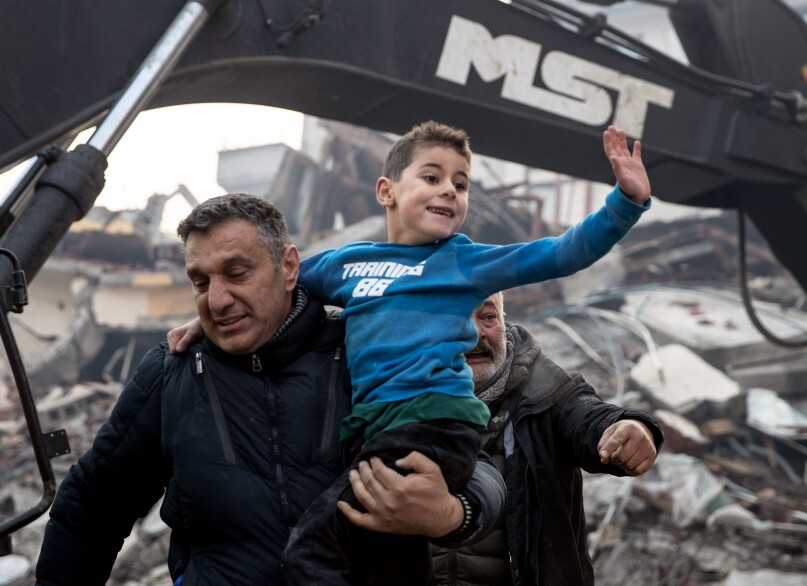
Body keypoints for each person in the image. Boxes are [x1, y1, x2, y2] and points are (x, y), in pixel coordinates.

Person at [169, 120, 652, 585]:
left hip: (436, 423)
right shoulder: (348, 263)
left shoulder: (464, 262)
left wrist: (625, 203)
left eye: (460, 184)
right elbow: (276, 286)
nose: (449, 191)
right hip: (375, 434)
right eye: (432, 177)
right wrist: (207, 317)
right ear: (387, 191)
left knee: (311, 550)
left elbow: (561, 252)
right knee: (389, 564)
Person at [34, 194, 504, 586]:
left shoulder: (360, 353)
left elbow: (479, 469)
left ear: (289, 267)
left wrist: (450, 513)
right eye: (201, 282)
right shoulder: (173, 373)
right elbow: (89, 511)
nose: (216, 300)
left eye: (237, 274)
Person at [344, 292, 664, 586]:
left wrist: (630, 426)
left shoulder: (545, 390)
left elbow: (587, 416)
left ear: (504, 320)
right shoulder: (383, 401)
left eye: (487, 317)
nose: (474, 335)